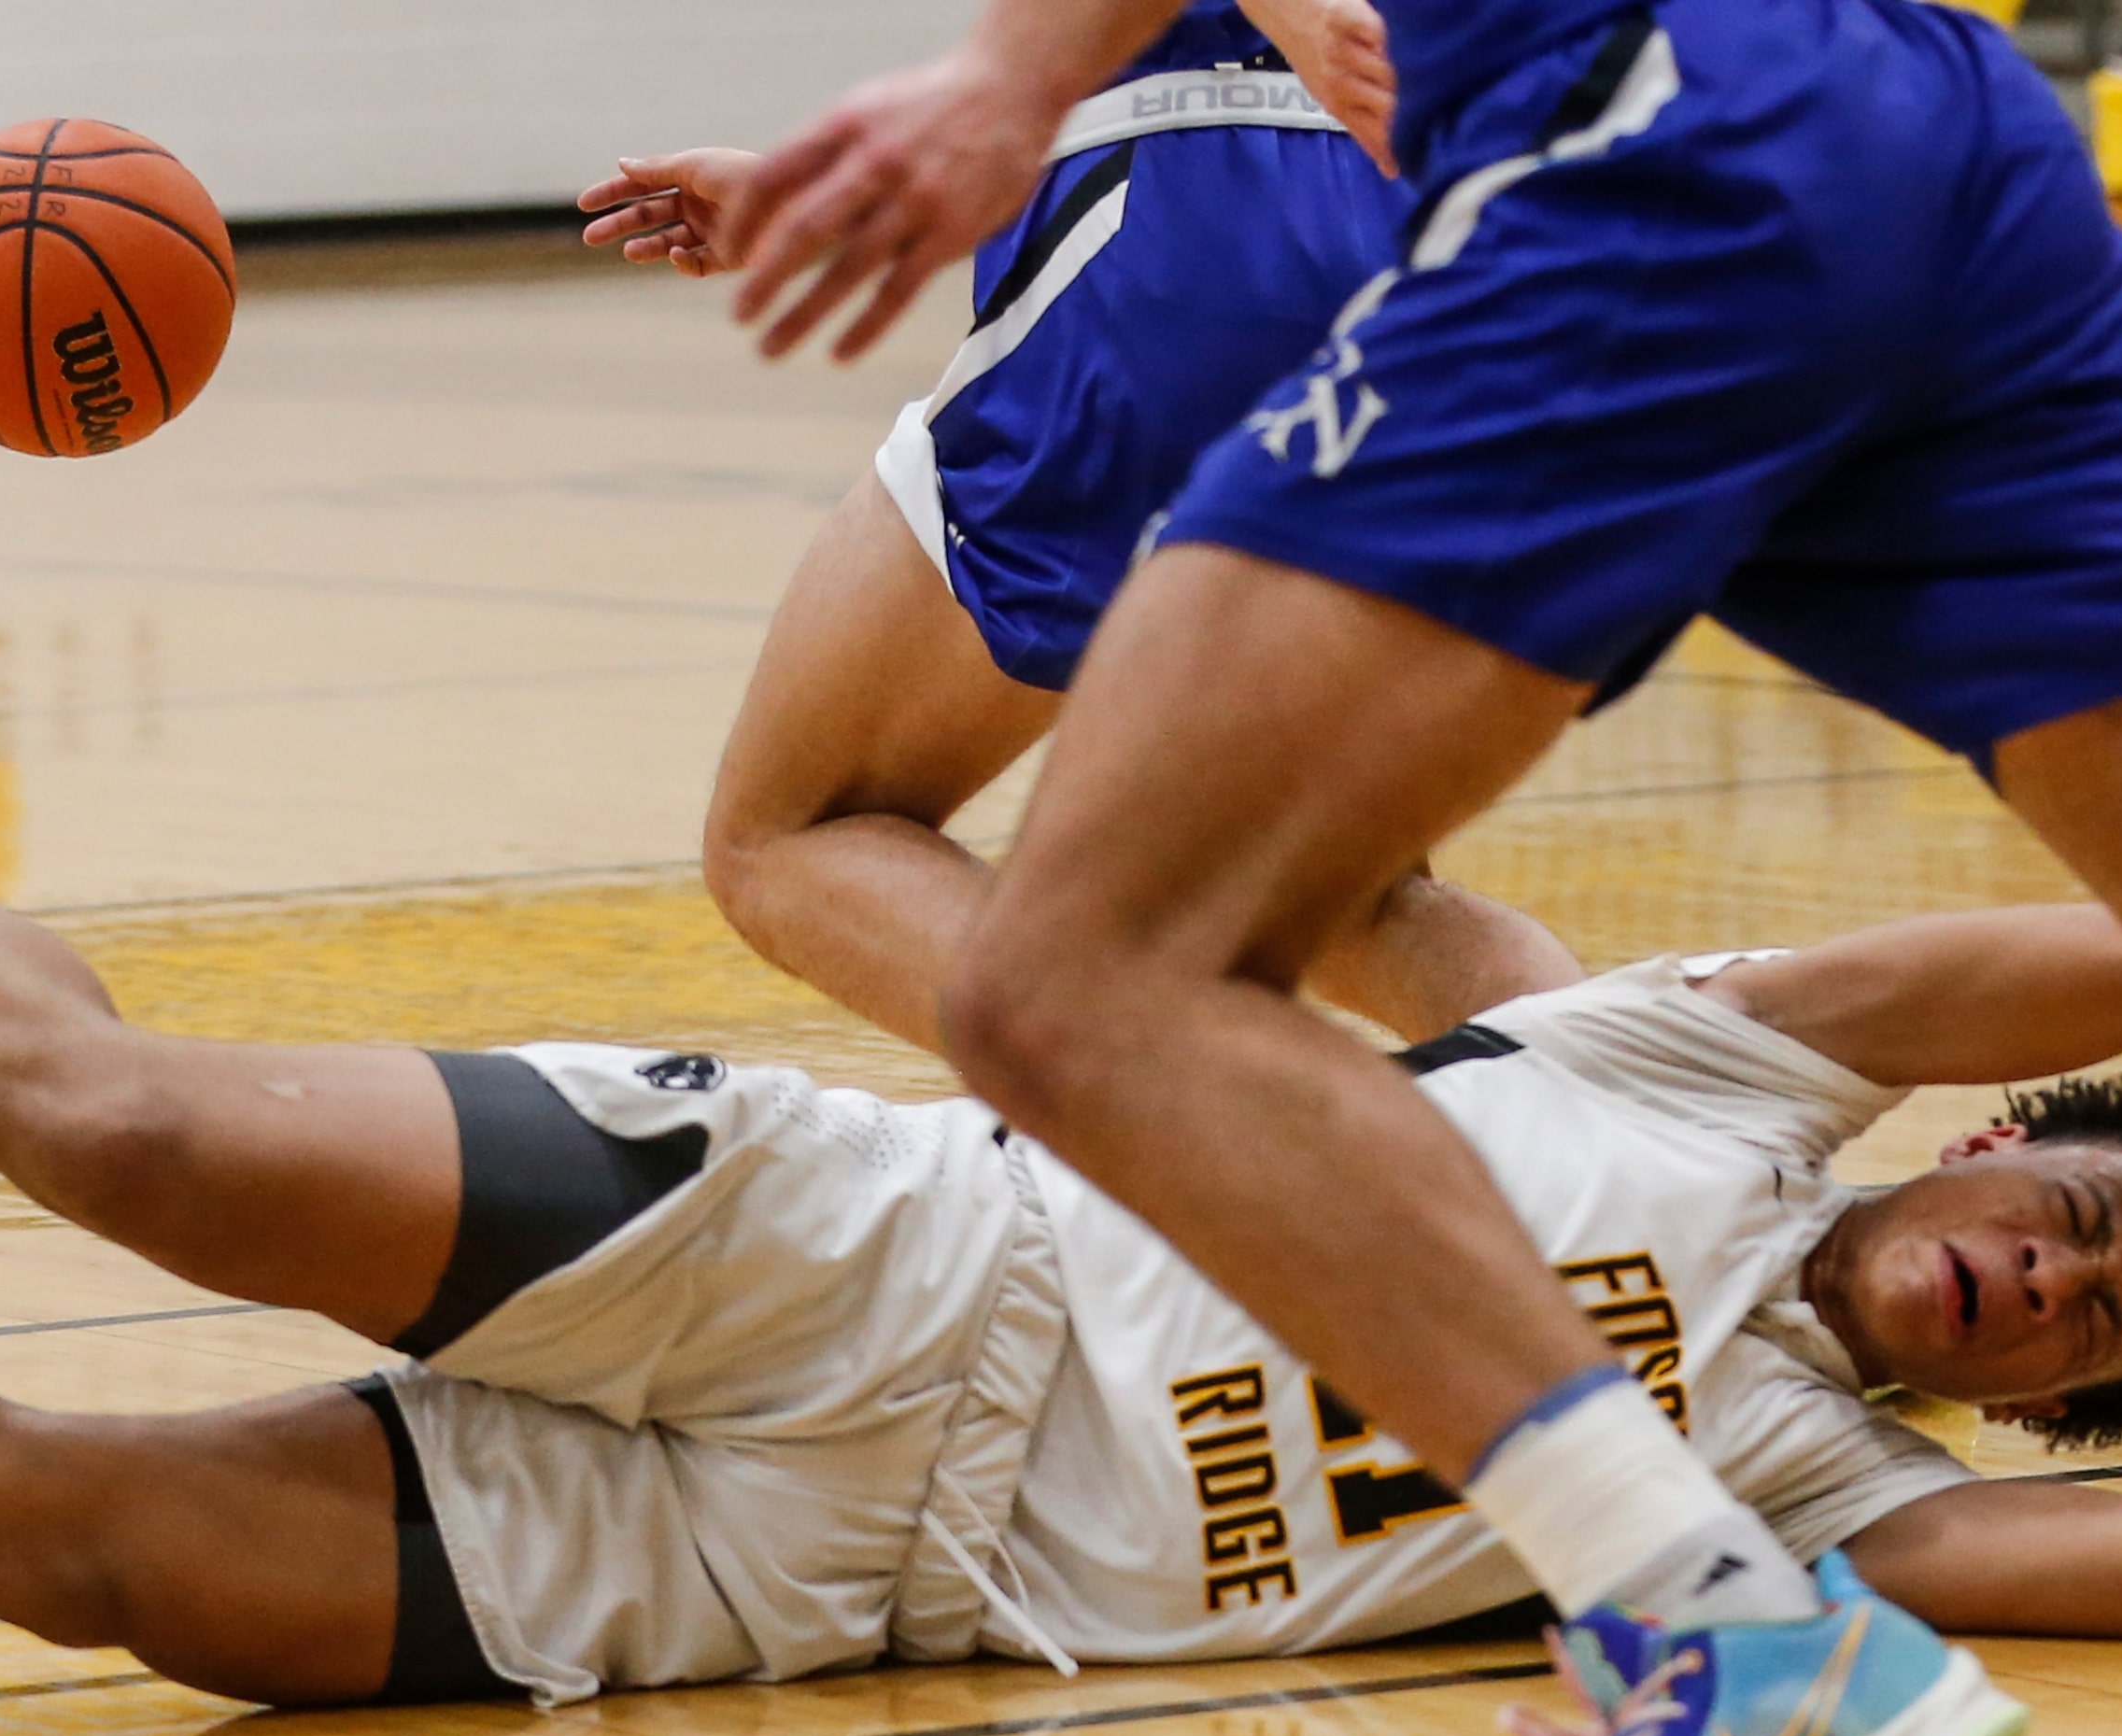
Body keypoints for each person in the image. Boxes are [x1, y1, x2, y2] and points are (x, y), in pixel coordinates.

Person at [697, 0, 2122, 1736]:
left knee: (1080, 980)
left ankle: (1721, 1631)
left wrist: (1006, 82)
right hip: (1945, 136)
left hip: (1657, 147)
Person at [0, 848, 2122, 1714]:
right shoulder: (1711, 1055)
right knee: (116, 1129)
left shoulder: (1810, 1504)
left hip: (829, 1589)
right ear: (1982, 1133)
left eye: (2091, 1325)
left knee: (42, 1528)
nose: (2043, 1276)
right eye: (2074, 1209)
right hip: (880, 1259)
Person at [584, 0, 1558, 1058]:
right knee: (1335, 899)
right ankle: (1627, 1146)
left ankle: (1201, 1131)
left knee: (793, 834)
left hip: (1186, 212)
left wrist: (1305, 22)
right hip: (1436, 249)